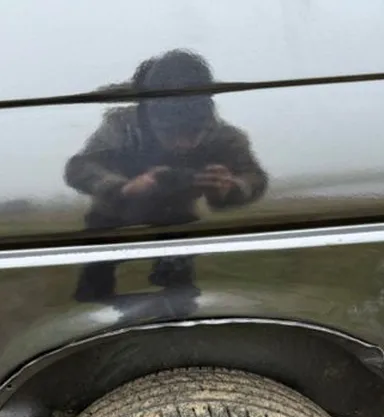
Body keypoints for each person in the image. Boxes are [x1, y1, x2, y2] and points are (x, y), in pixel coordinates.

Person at [64, 48, 268, 301]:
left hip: (177, 224)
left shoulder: (223, 136)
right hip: (111, 221)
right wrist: (123, 188)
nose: (183, 144)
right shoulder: (123, 126)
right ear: (150, 117)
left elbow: (254, 177)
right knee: (94, 293)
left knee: (181, 297)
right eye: (171, 132)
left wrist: (231, 187)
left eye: (193, 133)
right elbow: (79, 167)